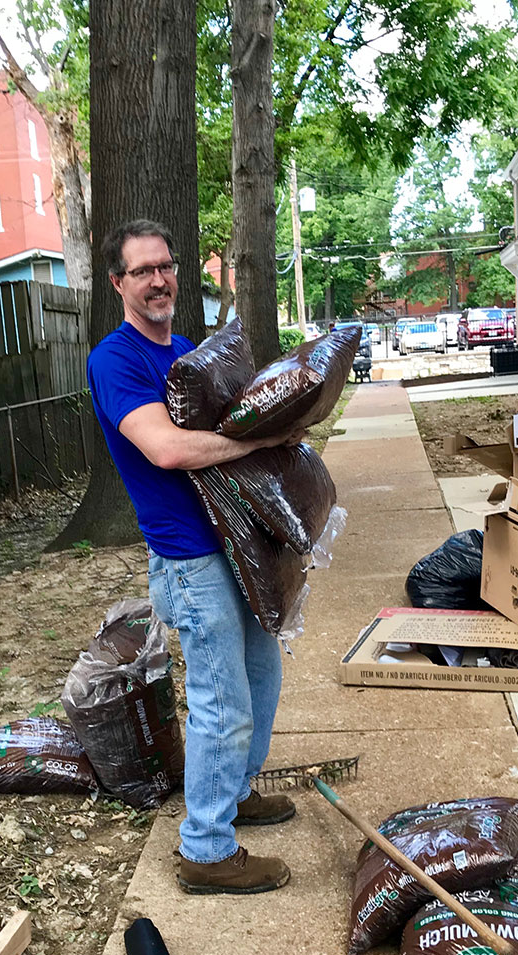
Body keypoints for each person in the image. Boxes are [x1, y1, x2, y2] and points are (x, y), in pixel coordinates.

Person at [87, 219, 299, 895]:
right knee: (221, 700)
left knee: (261, 675)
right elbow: (169, 449)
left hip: (237, 544)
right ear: (118, 283)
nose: (159, 280)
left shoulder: (186, 352)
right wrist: (258, 442)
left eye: (166, 266)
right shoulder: (116, 361)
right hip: (189, 557)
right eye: (142, 270)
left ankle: (233, 792)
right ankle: (205, 848)